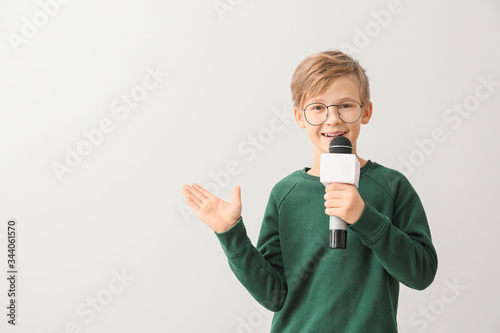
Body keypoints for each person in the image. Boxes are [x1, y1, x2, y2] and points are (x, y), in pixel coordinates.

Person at [181, 50, 438, 332]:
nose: (333, 119)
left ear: (366, 112)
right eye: (318, 107)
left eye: (346, 106)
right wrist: (231, 234)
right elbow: (273, 294)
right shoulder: (285, 193)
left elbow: (421, 274)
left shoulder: (392, 186)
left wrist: (365, 217)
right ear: (299, 117)